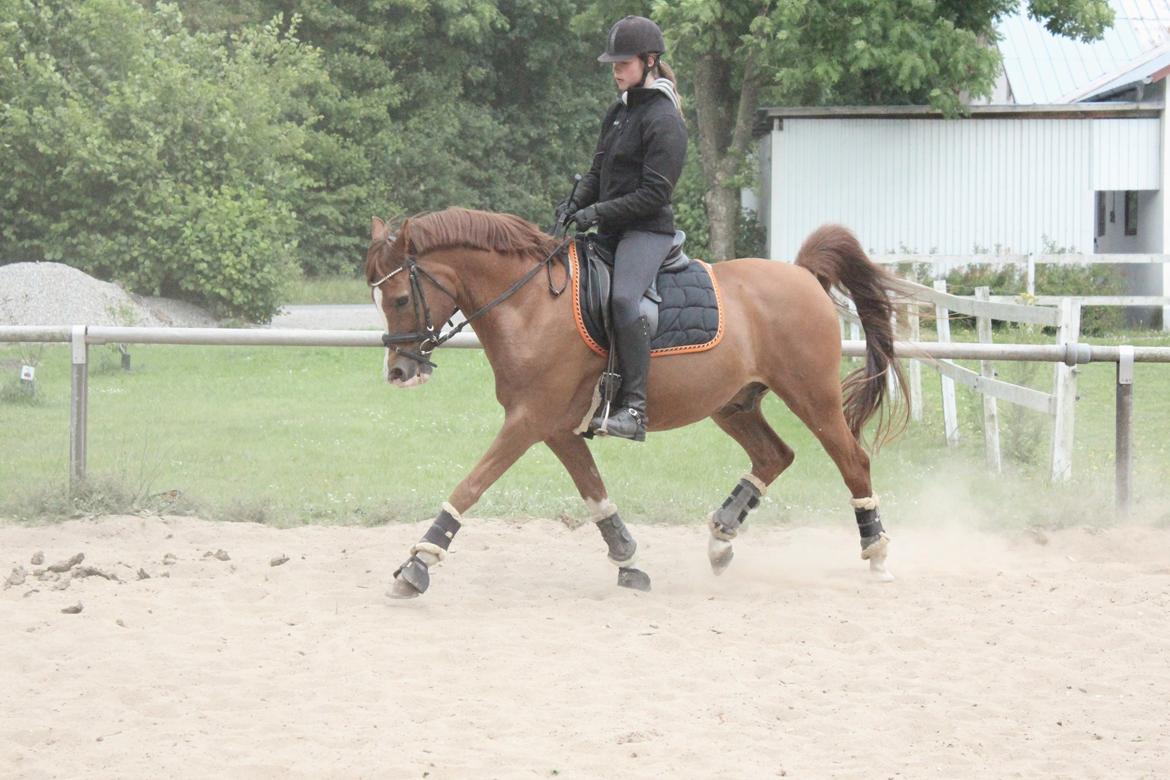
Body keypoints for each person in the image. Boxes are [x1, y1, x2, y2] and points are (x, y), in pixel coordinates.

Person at [556, 15, 688, 442]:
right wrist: (575, 203)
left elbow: (654, 194)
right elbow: (597, 172)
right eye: (613, 63)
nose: (616, 70)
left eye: (623, 63)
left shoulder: (664, 119)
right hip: (612, 229)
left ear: (649, 61)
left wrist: (597, 213)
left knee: (624, 300)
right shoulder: (620, 110)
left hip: (646, 232)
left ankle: (633, 409)